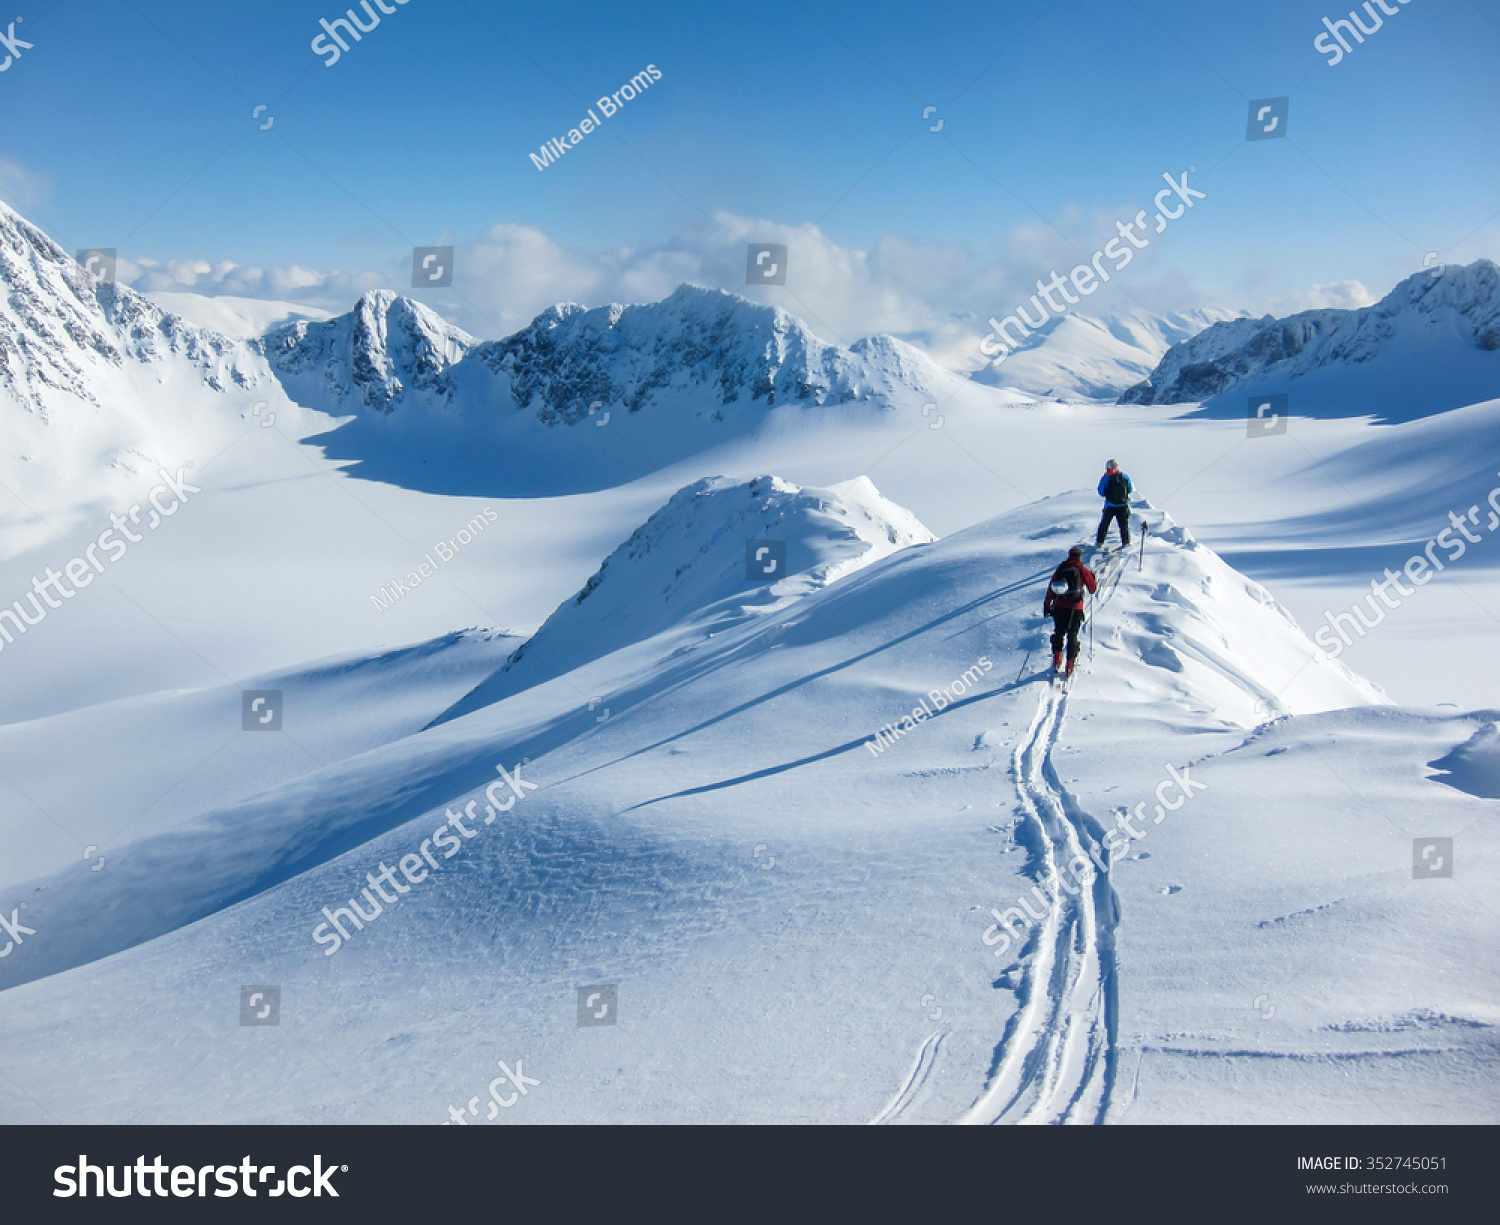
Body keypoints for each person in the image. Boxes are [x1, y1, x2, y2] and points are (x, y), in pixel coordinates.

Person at [1042, 545, 1097, 677]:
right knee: (1072, 636)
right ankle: (1070, 666)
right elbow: (1092, 590)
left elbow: (1051, 588)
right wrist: (1092, 578)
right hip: (1075, 608)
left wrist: (1047, 605)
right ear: (1079, 557)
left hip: (1059, 607)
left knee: (1059, 633)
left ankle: (1057, 659)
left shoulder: (1061, 569)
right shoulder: (1083, 570)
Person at [1096, 459, 1133, 548]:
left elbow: (1101, 492)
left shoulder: (1105, 478)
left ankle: (1100, 542)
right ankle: (1126, 542)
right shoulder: (1125, 476)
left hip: (1110, 506)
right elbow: (1130, 489)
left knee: (1104, 524)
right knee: (1124, 525)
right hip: (1123, 505)